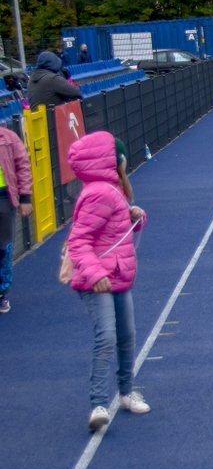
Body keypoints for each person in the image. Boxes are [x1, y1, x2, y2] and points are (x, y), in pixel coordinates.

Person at [66, 131, 149, 432]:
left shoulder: (110, 189)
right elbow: (79, 241)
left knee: (126, 335)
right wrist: (95, 273)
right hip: (98, 279)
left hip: (116, 274)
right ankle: (99, 403)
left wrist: (132, 216)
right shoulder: (100, 192)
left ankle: (126, 392)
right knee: (107, 338)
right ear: (116, 161)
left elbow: (109, 228)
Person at [0, 122, 32, 314]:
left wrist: (25, 197)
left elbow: (23, 166)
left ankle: (2, 292)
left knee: (3, 247)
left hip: (4, 198)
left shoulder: (8, 138)